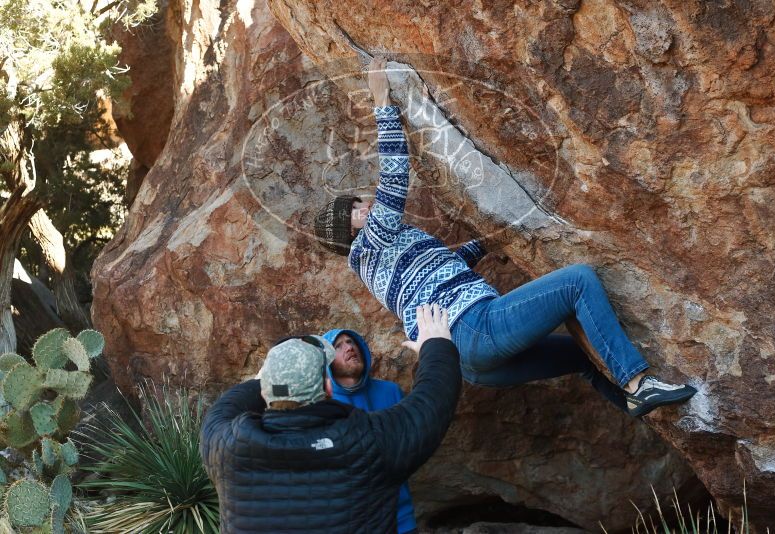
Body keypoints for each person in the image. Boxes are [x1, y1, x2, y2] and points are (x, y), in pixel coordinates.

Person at [313, 57, 696, 418]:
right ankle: (639, 383)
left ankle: (639, 409)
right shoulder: (371, 241)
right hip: (475, 328)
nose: (367, 206)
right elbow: (395, 178)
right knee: (578, 281)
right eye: (357, 208)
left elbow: (437, 273)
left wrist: (484, 246)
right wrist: (382, 101)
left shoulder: (376, 261)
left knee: (584, 355)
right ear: (349, 227)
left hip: (470, 361)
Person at [201, 304, 461, 533]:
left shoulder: (226, 449)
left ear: (263, 390)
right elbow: (434, 400)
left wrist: (272, 375)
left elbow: (226, 405)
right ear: (328, 388)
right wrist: (436, 343)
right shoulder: (368, 442)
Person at [322, 328, 418, 533]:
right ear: (327, 361)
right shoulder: (323, 405)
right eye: (338, 346)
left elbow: (411, 446)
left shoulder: (390, 391)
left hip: (399, 518)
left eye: (351, 342)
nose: (349, 347)